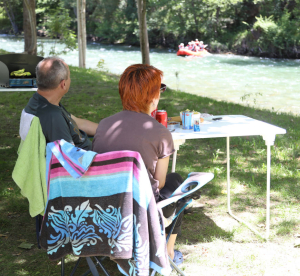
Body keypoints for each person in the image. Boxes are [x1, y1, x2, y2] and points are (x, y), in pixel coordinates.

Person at [92, 64, 187, 266]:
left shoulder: (104, 125)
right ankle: (168, 251)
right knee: (177, 181)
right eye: (159, 89)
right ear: (152, 95)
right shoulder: (161, 133)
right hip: (140, 209)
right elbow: (160, 183)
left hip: (104, 206)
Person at [24, 57, 98, 150]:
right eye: (69, 77)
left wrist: (108, 131)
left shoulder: (41, 101)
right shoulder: (53, 118)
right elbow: (68, 158)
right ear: (63, 84)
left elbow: (78, 123)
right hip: (86, 162)